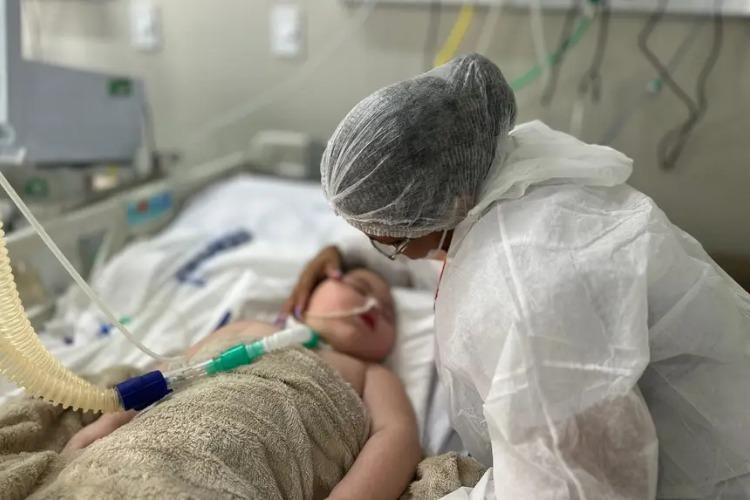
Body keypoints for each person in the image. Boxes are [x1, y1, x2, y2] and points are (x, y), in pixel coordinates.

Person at [282, 53, 750, 499]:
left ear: (438, 207)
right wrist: (342, 256)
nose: (388, 256)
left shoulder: (522, 291)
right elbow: (449, 256)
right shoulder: (497, 172)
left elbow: (584, 487)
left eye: (388, 241)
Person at [31, 268, 421, 500]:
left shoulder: (371, 373)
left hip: (248, 465)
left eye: (388, 313)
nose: (374, 305)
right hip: (153, 440)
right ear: (309, 291)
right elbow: (169, 376)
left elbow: (397, 439)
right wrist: (103, 428)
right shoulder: (249, 327)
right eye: (360, 287)